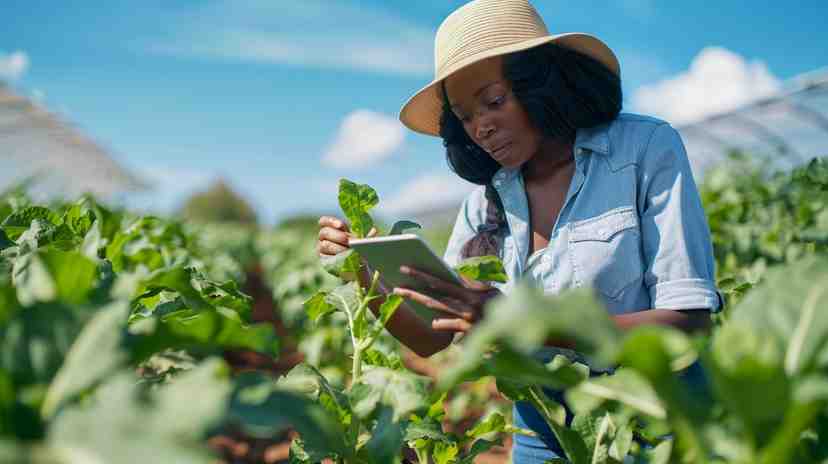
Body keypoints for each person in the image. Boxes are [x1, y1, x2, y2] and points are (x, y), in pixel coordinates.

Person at [317, 0, 722, 461]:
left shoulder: (642, 149)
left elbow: (688, 321)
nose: (481, 129)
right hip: (539, 424)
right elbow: (433, 337)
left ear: (542, 86)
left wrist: (525, 325)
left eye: (493, 102)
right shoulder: (485, 204)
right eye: (465, 118)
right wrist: (363, 274)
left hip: (649, 417)